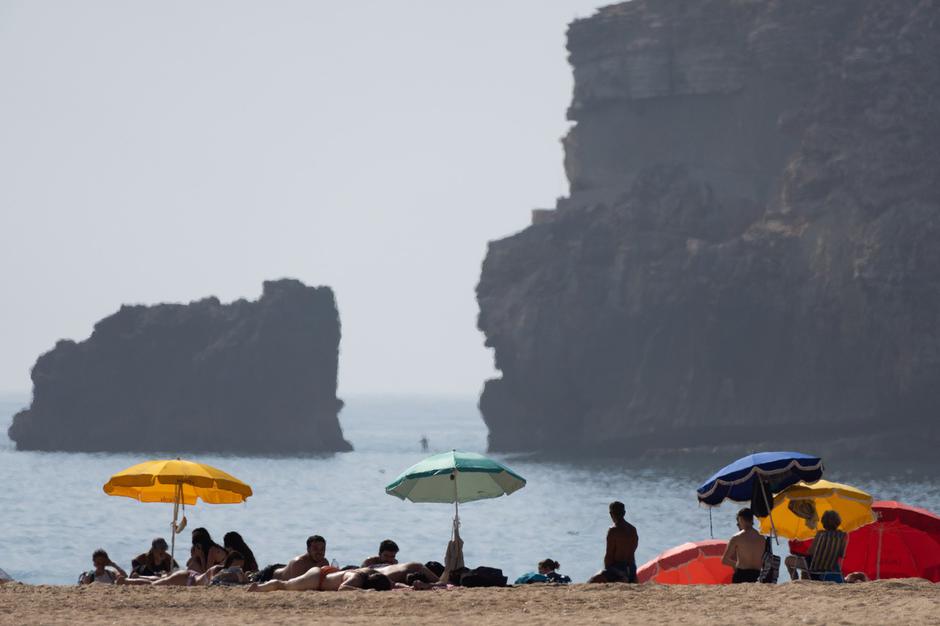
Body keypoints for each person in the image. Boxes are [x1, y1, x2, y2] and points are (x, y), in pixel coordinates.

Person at [787, 510, 848, 582]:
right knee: (805, 566)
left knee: (788, 560)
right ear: (838, 522)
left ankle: (795, 581)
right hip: (831, 568)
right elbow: (842, 555)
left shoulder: (820, 534)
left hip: (815, 568)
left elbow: (810, 552)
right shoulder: (843, 535)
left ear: (823, 522)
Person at [589, 501, 639, 583]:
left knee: (591, 581)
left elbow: (609, 555)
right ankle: (629, 578)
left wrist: (606, 571)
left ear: (611, 514)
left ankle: (621, 578)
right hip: (632, 568)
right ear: (624, 513)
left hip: (619, 569)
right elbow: (633, 550)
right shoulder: (633, 529)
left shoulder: (613, 530)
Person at [246, 566, 392, 592]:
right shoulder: (357, 579)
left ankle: (259, 587)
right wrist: (365, 593)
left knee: (285, 585)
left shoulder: (364, 574)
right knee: (283, 585)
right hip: (317, 579)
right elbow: (343, 588)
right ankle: (257, 588)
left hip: (323, 575)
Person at [722, 507, 767, 583]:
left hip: (741, 575)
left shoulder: (736, 537)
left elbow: (725, 560)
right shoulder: (762, 538)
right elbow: (764, 561)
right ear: (752, 520)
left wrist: (736, 565)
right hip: (757, 575)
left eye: (738, 521)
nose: (738, 524)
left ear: (741, 519)